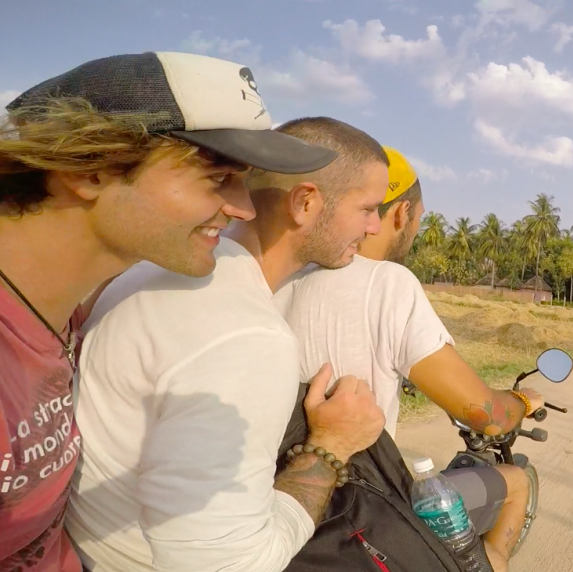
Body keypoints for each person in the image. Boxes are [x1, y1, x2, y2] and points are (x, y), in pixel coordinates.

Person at [0, 52, 336, 572]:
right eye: (218, 176)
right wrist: (328, 451)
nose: (244, 209)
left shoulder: (60, 306)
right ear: (89, 170)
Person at [66, 116, 388, 572]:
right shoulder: (247, 334)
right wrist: (331, 447)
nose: (375, 227)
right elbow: (231, 565)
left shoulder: (154, 270)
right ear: (305, 203)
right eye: (368, 208)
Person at [275, 147, 543, 572]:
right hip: (364, 504)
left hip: (285, 500)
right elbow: (485, 415)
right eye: (419, 219)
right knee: (514, 484)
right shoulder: (386, 281)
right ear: (401, 214)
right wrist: (522, 403)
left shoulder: (283, 278)